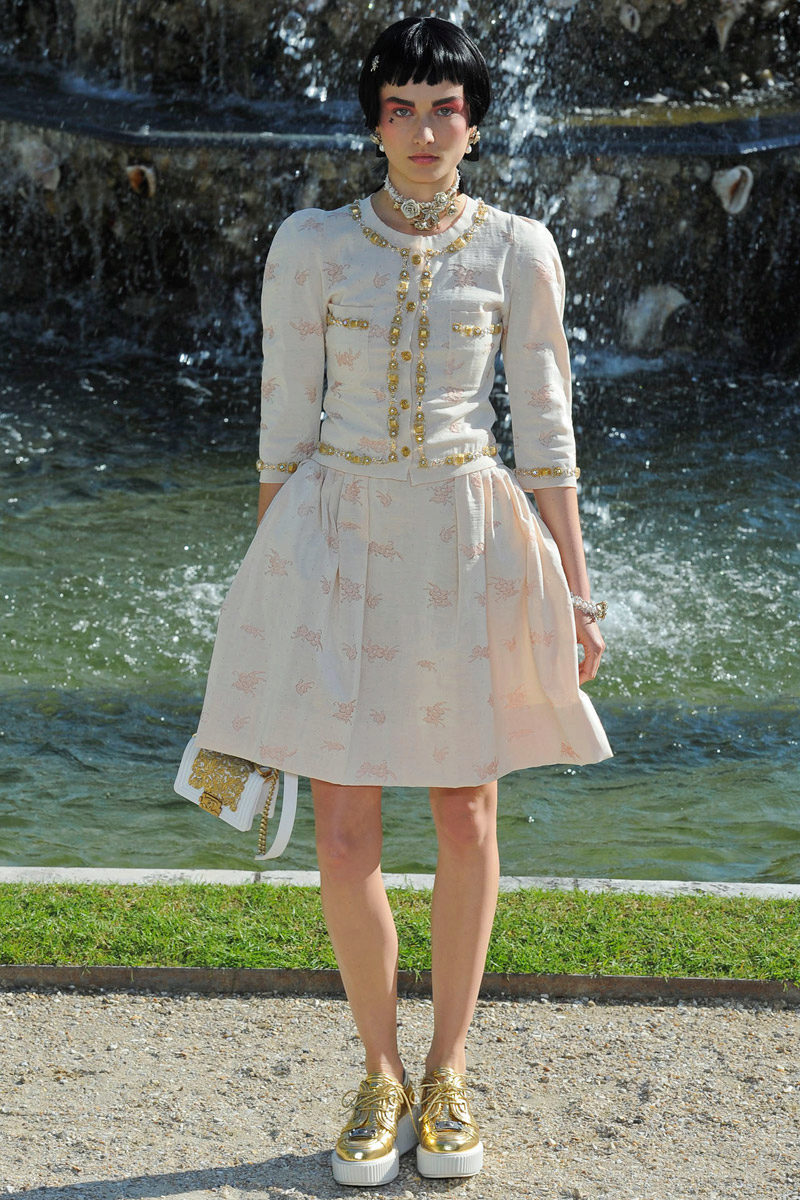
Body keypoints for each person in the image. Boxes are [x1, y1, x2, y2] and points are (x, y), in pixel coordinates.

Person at [193, 15, 611, 1187]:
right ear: (373, 123)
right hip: (337, 535)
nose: (423, 131)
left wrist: (577, 596)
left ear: (473, 125)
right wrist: (269, 590)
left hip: (467, 544)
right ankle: (378, 1074)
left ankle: (449, 1070)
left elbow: (548, 436)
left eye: (443, 108)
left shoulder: (519, 249)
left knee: (466, 813)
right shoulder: (311, 244)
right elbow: (281, 428)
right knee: (343, 826)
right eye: (400, 108)